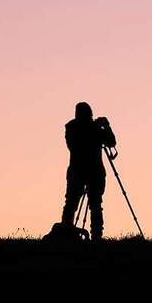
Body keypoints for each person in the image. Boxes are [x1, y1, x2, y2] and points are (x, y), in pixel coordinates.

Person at [61, 102, 116, 241]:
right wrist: (105, 127)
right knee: (94, 204)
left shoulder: (71, 127)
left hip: (78, 171)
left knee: (73, 204)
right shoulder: (91, 128)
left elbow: (111, 142)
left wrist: (103, 127)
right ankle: (96, 236)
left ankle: (67, 233)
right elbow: (111, 142)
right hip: (92, 172)